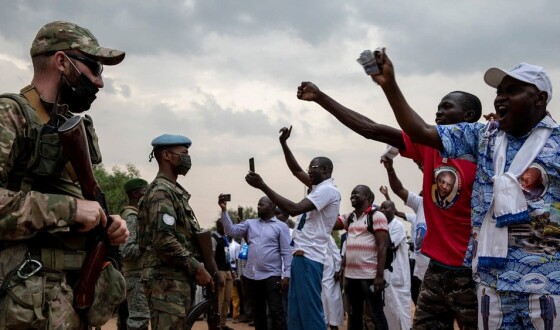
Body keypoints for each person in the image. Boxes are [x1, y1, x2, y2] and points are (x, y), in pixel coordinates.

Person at [370, 51, 560, 328]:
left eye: (513, 91)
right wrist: (390, 85)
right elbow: (421, 130)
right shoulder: (483, 137)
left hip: (547, 286)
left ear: (540, 99)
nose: (501, 98)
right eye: (499, 92)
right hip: (491, 285)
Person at [297, 76, 481, 329]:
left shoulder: (488, 150)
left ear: (469, 115)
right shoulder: (430, 147)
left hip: (474, 270)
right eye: (438, 106)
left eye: (447, 106)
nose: (439, 111)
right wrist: (321, 97)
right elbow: (371, 129)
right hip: (437, 269)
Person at [0, 21, 129, 328]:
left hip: (67, 298)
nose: (99, 82)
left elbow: (84, 202)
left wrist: (108, 224)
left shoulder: (70, 126)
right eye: (94, 68)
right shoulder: (11, 116)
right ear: (62, 62)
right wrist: (70, 210)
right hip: (26, 299)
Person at [246, 127, 341, 330]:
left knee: (310, 313)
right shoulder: (318, 187)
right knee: (295, 315)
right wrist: (284, 144)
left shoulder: (328, 191)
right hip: (300, 256)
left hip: (310, 257)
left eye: (313, 168)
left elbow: (294, 209)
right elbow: (296, 170)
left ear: (325, 170)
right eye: (309, 169)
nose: (309, 172)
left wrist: (263, 186)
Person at [137, 134, 212, 330]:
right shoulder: (161, 192)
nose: (187, 158)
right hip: (166, 282)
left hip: (174, 281)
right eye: (184, 153)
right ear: (166, 156)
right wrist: (196, 267)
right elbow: (164, 239)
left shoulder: (172, 191)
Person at [218, 195, 292, 330]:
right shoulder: (250, 223)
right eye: (258, 204)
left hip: (271, 275)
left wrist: (287, 275)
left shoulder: (281, 227)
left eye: (261, 204)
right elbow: (231, 231)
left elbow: (286, 252)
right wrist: (224, 211)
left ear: (271, 207)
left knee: (277, 312)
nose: (258, 207)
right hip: (252, 276)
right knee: (258, 313)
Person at [333, 185, 389, 330]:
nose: (352, 195)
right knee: (354, 315)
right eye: (351, 193)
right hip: (351, 277)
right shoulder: (349, 217)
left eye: (356, 193)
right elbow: (332, 224)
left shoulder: (377, 216)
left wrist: (379, 276)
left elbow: (382, 246)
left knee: (376, 314)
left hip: (369, 276)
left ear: (367, 197)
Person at [380, 158, 429, 305]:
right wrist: (390, 169)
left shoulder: (446, 205)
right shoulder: (420, 204)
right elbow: (398, 191)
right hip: (420, 268)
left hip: (443, 268)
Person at [120, 178, 150, 330]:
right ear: (137, 193)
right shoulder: (131, 216)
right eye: (146, 191)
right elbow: (126, 251)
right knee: (139, 319)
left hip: (139, 275)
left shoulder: (138, 214)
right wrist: (148, 242)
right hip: (136, 276)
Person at [379, 200, 412, 330]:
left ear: (393, 210)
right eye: (381, 208)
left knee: (400, 309)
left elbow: (388, 247)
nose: (382, 210)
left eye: (385, 208)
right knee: (389, 309)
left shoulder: (397, 225)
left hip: (398, 274)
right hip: (388, 275)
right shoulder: (383, 226)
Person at [212, 220, 234, 330]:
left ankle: (223, 323)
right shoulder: (214, 238)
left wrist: (231, 271)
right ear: (219, 226)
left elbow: (227, 256)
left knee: (227, 298)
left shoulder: (225, 238)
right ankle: (216, 324)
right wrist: (217, 274)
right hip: (220, 271)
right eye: (224, 225)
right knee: (219, 300)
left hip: (227, 270)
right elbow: (212, 257)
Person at [321, 235, 344, 330]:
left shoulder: (327, 236)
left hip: (329, 274)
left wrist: (337, 269)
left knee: (332, 301)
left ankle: (334, 326)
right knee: (321, 303)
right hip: (317, 274)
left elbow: (335, 252)